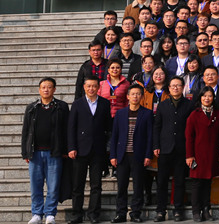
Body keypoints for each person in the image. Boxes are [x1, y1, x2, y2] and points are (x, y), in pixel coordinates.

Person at [23, 77, 70, 224]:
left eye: (49, 87)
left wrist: (65, 150)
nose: (46, 90)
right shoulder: (31, 108)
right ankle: (37, 213)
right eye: (43, 87)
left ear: (54, 89)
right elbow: (26, 131)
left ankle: (50, 213)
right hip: (35, 153)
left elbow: (67, 129)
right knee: (35, 185)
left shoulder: (62, 107)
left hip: (54, 152)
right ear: (39, 90)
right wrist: (25, 152)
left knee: (53, 185)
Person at [68, 75, 112, 224]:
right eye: (88, 86)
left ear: (98, 87)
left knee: (96, 185)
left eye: (94, 86)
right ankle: (77, 214)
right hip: (80, 150)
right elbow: (71, 127)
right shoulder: (77, 104)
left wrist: (107, 147)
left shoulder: (105, 103)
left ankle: (93, 214)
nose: (91, 89)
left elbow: (108, 127)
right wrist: (72, 147)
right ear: (84, 87)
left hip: (98, 150)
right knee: (77, 185)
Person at [109, 84, 154, 223]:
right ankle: (120, 214)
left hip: (138, 155)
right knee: (121, 187)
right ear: (127, 96)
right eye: (132, 94)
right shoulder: (120, 113)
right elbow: (114, 136)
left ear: (142, 97)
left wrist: (148, 155)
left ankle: (135, 213)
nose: (135, 96)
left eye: (138, 94)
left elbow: (150, 137)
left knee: (138, 186)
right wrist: (113, 155)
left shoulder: (147, 114)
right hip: (122, 155)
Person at [152, 76, 195, 222]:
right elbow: (157, 127)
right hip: (165, 148)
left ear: (183, 87)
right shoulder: (162, 105)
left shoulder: (189, 105)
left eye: (178, 85)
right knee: (162, 182)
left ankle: (178, 210)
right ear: (169, 88)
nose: (175, 88)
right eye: (173, 86)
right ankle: (160, 211)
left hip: (181, 149)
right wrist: (156, 145)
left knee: (180, 181)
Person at [185, 86, 219, 221]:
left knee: (208, 182)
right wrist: (189, 155)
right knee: (197, 184)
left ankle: (206, 210)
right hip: (197, 155)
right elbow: (189, 137)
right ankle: (196, 211)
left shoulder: (218, 114)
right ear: (200, 98)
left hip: (212, 154)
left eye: (210, 96)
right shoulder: (194, 114)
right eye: (204, 96)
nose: (207, 98)